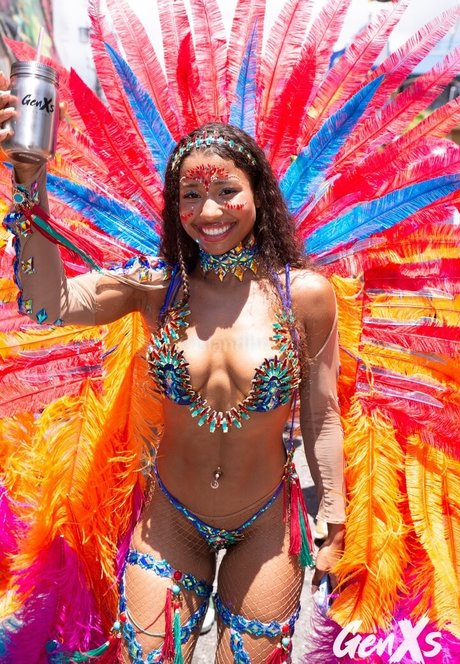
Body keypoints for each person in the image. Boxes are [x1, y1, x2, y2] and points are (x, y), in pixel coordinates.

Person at [1, 77, 345, 663]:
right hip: (171, 523)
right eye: (190, 195)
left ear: (259, 194)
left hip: (265, 527)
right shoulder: (157, 287)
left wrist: (333, 517)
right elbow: (47, 302)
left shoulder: (304, 295)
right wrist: (29, 177)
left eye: (227, 191)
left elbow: (322, 415)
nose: (208, 212)